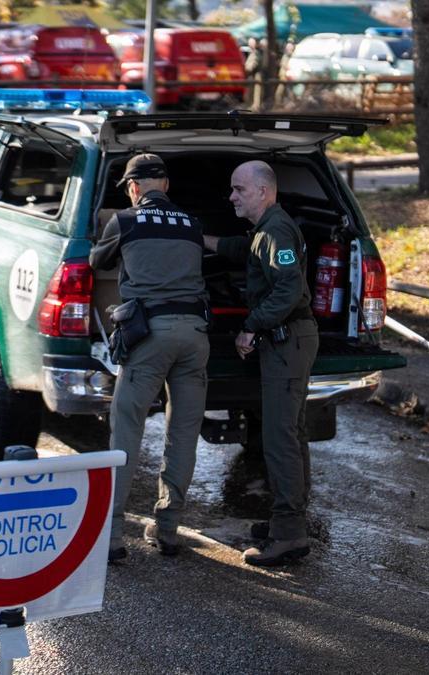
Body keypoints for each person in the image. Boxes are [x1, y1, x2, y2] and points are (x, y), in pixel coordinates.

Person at [90, 154, 210, 562]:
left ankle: (110, 538)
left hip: (150, 336)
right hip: (195, 336)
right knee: (183, 433)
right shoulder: (192, 225)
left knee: (126, 429)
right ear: (166, 185)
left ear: (134, 188)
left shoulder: (124, 221)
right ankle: (168, 528)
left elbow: (97, 262)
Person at [203, 160, 318, 567]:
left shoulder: (277, 230)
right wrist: (205, 240)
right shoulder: (266, 231)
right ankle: (287, 521)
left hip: (287, 342)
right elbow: (245, 248)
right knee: (291, 433)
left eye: (239, 189)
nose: (232, 196)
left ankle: (289, 534)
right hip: (287, 342)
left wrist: (250, 326)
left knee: (281, 438)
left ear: (263, 191)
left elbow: (289, 288)